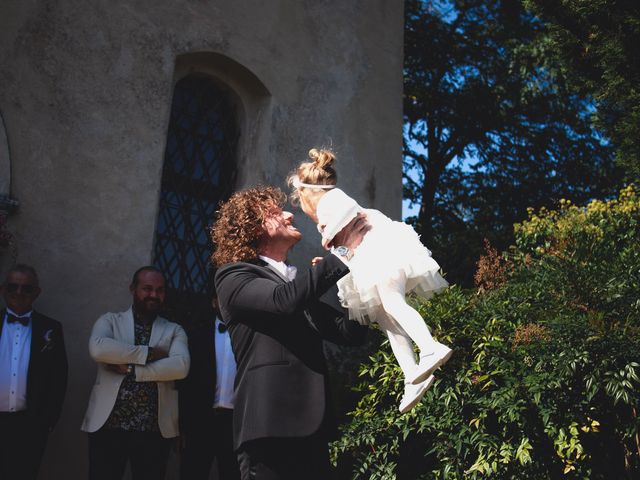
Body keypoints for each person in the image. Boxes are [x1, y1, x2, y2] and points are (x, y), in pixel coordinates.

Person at [210, 185, 370, 480]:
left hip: (314, 428)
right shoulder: (234, 276)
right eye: (274, 212)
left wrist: (355, 284)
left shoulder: (297, 285)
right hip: (269, 428)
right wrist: (344, 250)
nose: (288, 214)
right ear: (253, 227)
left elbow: (350, 333)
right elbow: (283, 301)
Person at [288, 148, 452, 413]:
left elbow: (349, 212)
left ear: (307, 194)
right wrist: (335, 252)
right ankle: (411, 375)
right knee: (387, 320)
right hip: (368, 263)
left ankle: (430, 347)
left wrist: (327, 238)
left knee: (393, 303)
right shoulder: (329, 207)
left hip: (381, 255)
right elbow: (346, 246)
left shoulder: (331, 199)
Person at [81, 266, 190, 480]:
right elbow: (98, 348)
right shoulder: (110, 321)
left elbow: (181, 366)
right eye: (147, 288)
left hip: (154, 432)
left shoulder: (174, 330)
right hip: (109, 427)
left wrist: (132, 370)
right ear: (133, 289)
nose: (154, 295)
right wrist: (148, 353)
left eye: (160, 290)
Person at [0, 263, 68, 480]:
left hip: (30, 425)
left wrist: (47, 421)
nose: (18, 292)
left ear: (36, 293)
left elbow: (59, 377)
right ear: (3, 289)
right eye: (13, 286)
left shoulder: (51, 329)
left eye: (26, 288)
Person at [179, 285, 241, 480]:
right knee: (193, 472)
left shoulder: (248, 337)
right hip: (201, 421)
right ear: (214, 301)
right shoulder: (195, 336)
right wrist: (182, 425)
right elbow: (185, 384)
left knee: (233, 474)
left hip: (235, 424)